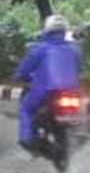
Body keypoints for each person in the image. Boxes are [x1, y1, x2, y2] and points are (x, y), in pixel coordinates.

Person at [13, 14, 83, 155]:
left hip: (45, 90)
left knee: (26, 109)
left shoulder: (40, 48)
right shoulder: (75, 48)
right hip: (71, 90)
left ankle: (28, 139)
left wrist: (18, 75)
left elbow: (25, 68)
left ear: (47, 29)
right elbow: (80, 68)